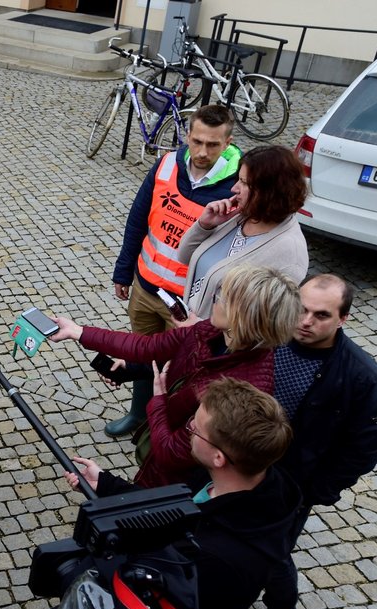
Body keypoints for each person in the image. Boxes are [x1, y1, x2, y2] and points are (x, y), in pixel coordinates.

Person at [67, 377, 301, 609]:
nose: (188, 428)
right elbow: (170, 509)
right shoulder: (240, 479)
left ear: (219, 457)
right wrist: (105, 485)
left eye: (197, 428)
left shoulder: (221, 559)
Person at [52, 265, 300, 488]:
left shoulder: (246, 388)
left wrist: (158, 400)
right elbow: (148, 347)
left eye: (223, 297)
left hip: (183, 481)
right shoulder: (211, 331)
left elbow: (173, 454)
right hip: (161, 452)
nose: (215, 300)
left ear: (243, 316)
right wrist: (79, 332)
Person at [258, 274, 377, 609]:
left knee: (274, 553)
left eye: (321, 315)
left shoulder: (361, 375)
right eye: (301, 308)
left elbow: (363, 448)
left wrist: (314, 491)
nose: (305, 321)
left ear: (342, 319)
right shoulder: (268, 339)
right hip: (235, 464)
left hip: (292, 484)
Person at [108, 105, 240, 438]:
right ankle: (138, 415)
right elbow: (138, 219)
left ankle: (167, 430)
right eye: (196, 141)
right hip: (145, 286)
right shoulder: (167, 164)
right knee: (140, 354)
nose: (202, 152)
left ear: (228, 142)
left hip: (187, 306)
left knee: (179, 369)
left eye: (212, 145)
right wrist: (124, 271)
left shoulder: (238, 186)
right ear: (187, 134)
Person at [178, 145, 309, 319]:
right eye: (238, 179)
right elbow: (185, 257)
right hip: (188, 334)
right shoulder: (240, 215)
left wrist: (198, 330)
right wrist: (204, 225)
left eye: (245, 183)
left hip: (216, 344)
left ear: (270, 192)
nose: (234, 189)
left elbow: (263, 325)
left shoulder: (289, 253)